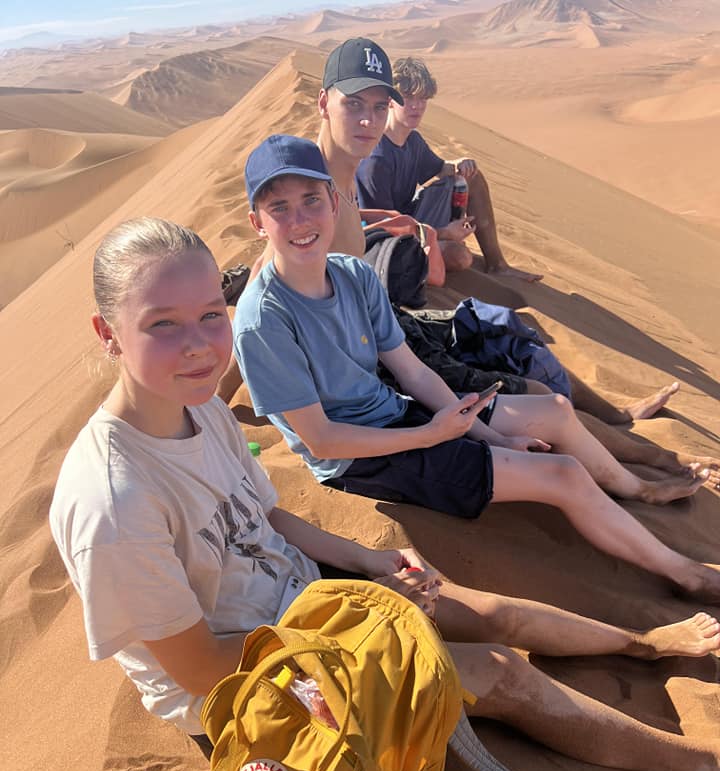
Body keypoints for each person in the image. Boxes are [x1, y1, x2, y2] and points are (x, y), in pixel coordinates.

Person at [49, 215, 720, 771]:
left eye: (209, 315)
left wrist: (369, 561)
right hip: (251, 685)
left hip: (303, 604)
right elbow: (197, 669)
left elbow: (266, 517)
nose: (198, 344)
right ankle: (699, 765)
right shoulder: (116, 502)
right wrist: (356, 630)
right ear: (107, 333)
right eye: (162, 324)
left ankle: (644, 644)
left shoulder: (199, 409)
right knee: (499, 673)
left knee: (490, 611)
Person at [234, 136, 720, 603]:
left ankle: (635, 489)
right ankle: (689, 576)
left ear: (334, 204)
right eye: (279, 207)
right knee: (564, 475)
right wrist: (433, 435)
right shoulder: (264, 321)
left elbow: (413, 372)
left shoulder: (353, 274)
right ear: (257, 222)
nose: (299, 219)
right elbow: (322, 441)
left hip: (400, 415)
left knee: (553, 409)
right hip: (358, 459)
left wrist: (485, 435)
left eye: (311, 199)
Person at [218, 39, 695, 471]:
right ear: (324, 104)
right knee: (527, 386)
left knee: (508, 330)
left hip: (385, 325)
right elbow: (262, 291)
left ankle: (617, 417)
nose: (368, 121)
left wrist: (397, 221)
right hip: (377, 364)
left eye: (379, 107)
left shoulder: (345, 169)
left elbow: (346, 229)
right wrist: (216, 400)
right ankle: (647, 459)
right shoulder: (312, 184)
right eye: (354, 106)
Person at [356, 55, 541, 283]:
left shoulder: (412, 141)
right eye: (408, 97)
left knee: (472, 177)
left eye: (423, 98)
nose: (416, 106)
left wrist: (458, 164)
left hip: (411, 218)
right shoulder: (376, 159)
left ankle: (497, 264)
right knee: (460, 257)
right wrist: (443, 233)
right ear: (391, 100)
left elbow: (439, 169)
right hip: (389, 242)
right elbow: (382, 231)